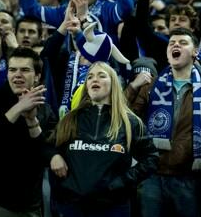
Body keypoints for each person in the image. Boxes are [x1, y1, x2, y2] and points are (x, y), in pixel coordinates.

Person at [126, 28, 201, 217]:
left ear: (195, 52)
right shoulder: (150, 86)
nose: (176, 45)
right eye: (172, 43)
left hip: (190, 178)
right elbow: (127, 119)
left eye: (183, 42)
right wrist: (132, 87)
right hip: (152, 175)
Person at [49, 61, 158, 216]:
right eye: (90, 77)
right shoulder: (70, 119)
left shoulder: (130, 122)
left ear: (113, 84)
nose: (95, 79)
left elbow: (151, 159)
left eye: (101, 76)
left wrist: (121, 182)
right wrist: (54, 155)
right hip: (72, 207)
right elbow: (48, 146)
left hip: (113, 207)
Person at [0, 47, 56, 217]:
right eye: (12, 70)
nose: (17, 74)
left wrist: (31, 119)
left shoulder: (45, 109)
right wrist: (19, 108)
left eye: (25, 70)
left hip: (31, 203)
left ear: (37, 76)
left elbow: (44, 152)